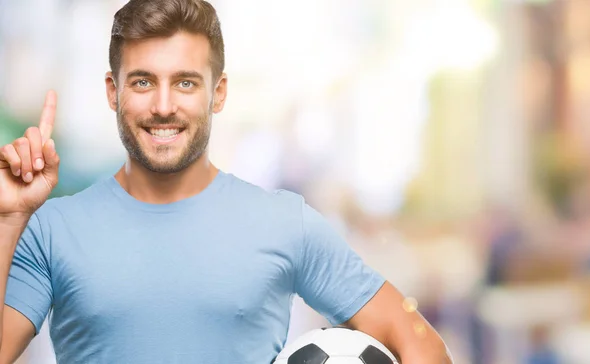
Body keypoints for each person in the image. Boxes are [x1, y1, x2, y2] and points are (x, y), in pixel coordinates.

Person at [0, 1, 453, 363]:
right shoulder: (51, 228)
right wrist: (9, 219)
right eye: (142, 82)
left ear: (217, 93)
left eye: (185, 83)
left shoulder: (284, 222)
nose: (163, 105)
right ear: (112, 92)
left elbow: (421, 346)